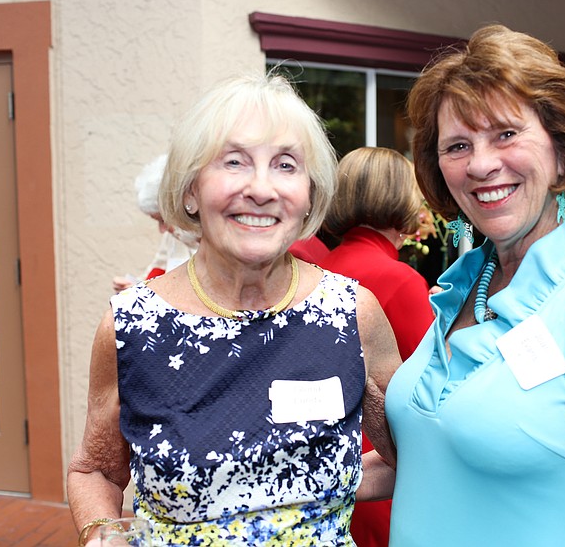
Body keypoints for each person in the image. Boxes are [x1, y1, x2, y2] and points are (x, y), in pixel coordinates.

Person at [367, 24, 565, 545]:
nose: (481, 164)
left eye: (506, 134)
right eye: (457, 145)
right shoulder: (465, 289)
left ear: (562, 155)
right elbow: (438, 456)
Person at [67, 72, 401, 546]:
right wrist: (102, 532)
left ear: (309, 196)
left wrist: (322, 485)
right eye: (234, 162)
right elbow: (96, 470)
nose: (262, 189)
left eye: (286, 165)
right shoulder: (131, 325)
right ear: (189, 190)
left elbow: (411, 459)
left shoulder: (352, 314)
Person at [319, 146, 434, 547]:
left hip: (328, 467)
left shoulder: (317, 273)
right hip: (383, 468)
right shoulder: (399, 279)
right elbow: (430, 388)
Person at [111, 154, 199, 293]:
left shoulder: (216, 243)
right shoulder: (173, 239)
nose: (162, 230)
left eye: (163, 220)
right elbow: (155, 274)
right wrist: (133, 288)